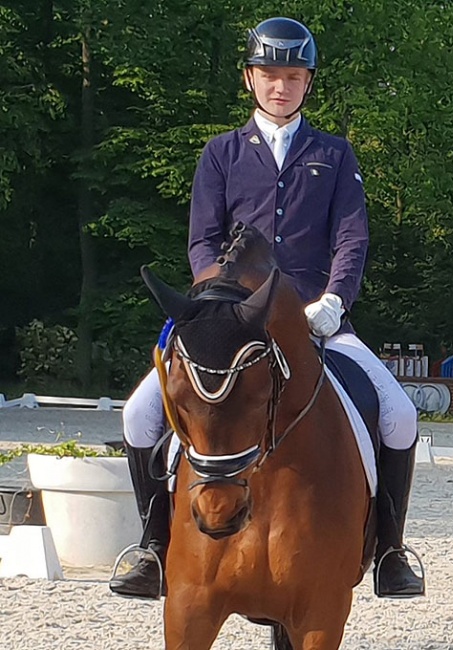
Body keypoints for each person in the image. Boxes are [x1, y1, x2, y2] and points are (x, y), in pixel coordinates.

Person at [110, 16, 425, 601]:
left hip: (315, 316)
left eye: (293, 76)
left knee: (400, 414)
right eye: (270, 75)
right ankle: (153, 548)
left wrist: (334, 300)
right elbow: (203, 240)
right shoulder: (222, 153)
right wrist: (217, 301)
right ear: (250, 79)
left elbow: (352, 237)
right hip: (227, 318)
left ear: (308, 83)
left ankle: (388, 551)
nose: (281, 86)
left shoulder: (333, 153)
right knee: (138, 414)